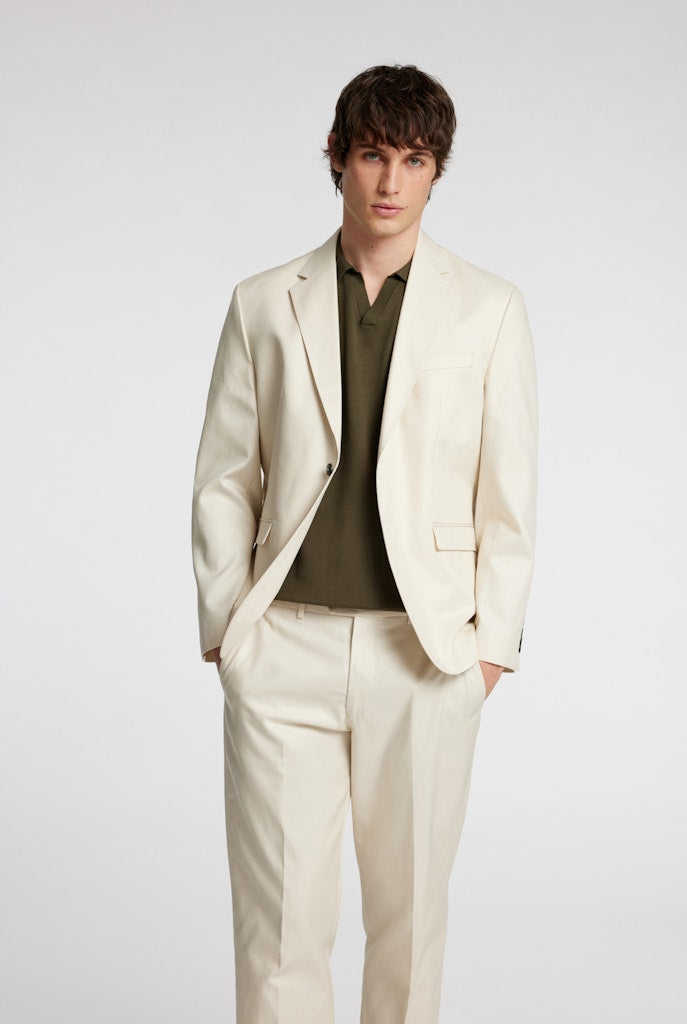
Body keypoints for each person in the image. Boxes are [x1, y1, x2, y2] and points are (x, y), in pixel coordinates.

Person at [191, 63, 538, 1024]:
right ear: (338, 158)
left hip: (424, 652)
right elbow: (225, 477)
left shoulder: (490, 307)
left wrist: (489, 651)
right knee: (278, 931)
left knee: (410, 924)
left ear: (436, 172)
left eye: (414, 160)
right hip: (283, 645)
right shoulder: (264, 301)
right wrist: (228, 630)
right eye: (374, 154)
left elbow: (509, 495)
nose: (391, 180)